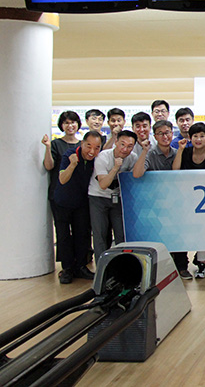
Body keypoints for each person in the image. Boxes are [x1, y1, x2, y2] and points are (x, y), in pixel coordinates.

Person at [132, 120, 192, 279]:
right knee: (159, 237)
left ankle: (182, 267)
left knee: (179, 235)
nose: (165, 136)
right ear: (155, 136)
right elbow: (137, 174)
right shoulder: (150, 153)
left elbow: (175, 171)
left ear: (172, 133)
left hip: (176, 202)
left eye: (167, 133)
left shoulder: (178, 151)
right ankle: (162, 270)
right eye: (160, 134)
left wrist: (180, 151)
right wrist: (144, 151)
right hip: (155, 204)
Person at [173, 122, 205, 279]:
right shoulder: (185, 152)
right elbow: (175, 170)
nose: (198, 139)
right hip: (190, 200)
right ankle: (202, 264)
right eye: (195, 136)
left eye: (202, 136)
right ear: (190, 138)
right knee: (199, 231)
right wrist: (180, 150)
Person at [53, 131, 102, 284]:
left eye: (97, 147)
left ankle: (80, 266)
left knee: (82, 234)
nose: (92, 151)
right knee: (63, 236)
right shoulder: (70, 154)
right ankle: (67, 269)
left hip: (82, 203)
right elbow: (62, 179)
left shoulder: (97, 159)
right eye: (89, 146)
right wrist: (73, 164)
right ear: (82, 144)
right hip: (63, 201)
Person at [88, 130, 139, 262]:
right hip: (98, 197)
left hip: (118, 199)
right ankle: (102, 267)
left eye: (129, 146)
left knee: (121, 234)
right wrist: (116, 168)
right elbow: (103, 184)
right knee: (100, 234)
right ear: (116, 142)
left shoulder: (133, 158)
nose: (125, 149)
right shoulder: (103, 157)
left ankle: (121, 265)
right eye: (122, 144)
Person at [43, 111, 82, 232]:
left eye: (73, 122)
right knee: (62, 231)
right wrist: (48, 147)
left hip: (79, 195)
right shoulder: (55, 144)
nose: (70, 126)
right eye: (66, 123)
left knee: (80, 231)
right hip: (59, 194)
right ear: (61, 125)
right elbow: (49, 166)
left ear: (78, 124)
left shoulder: (83, 145)